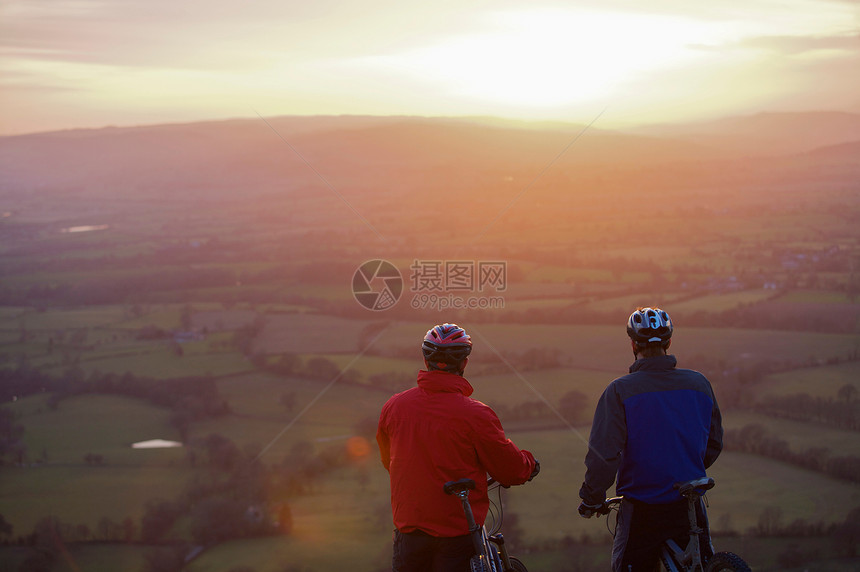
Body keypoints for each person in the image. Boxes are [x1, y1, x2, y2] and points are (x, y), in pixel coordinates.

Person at [377, 323, 539, 572]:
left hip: (408, 531)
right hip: (457, 533)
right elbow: (511, 469)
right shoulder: (476, 414)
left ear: (425, 358)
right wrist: (529, 464)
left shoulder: (394, 406)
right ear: (464, 363)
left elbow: (389, 460)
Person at [578, 307, 723, 571]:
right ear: (669, 342)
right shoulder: (699, 383)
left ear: (633, 344)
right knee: (704, 564)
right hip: (689, 500)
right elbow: (713, 442)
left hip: (642, 508)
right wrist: (682, 466)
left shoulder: (619, 391)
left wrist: (592, 497)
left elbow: (604, 455)